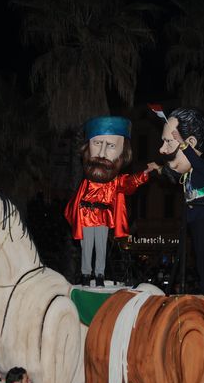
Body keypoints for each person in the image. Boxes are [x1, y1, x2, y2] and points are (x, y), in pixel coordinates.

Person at [65, 116, 155, 286]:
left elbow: (130, 183)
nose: (101, 153)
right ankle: (85, 274)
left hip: (103, 216)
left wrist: (144, 174)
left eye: (111, 146)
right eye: (97, 144)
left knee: (100, 247)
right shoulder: (87, 181)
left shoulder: (115, 181)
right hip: (85, 215)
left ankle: (99, 275)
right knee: (86, 247)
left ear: (122, 155)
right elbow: (75, 203)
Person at [155, 107, 204, 295]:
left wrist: (181, 143)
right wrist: (158, 168)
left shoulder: (202, 167)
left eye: (168, 142)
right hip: (196, 216)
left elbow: (193, 159)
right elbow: (173, 173)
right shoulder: (190, 174)